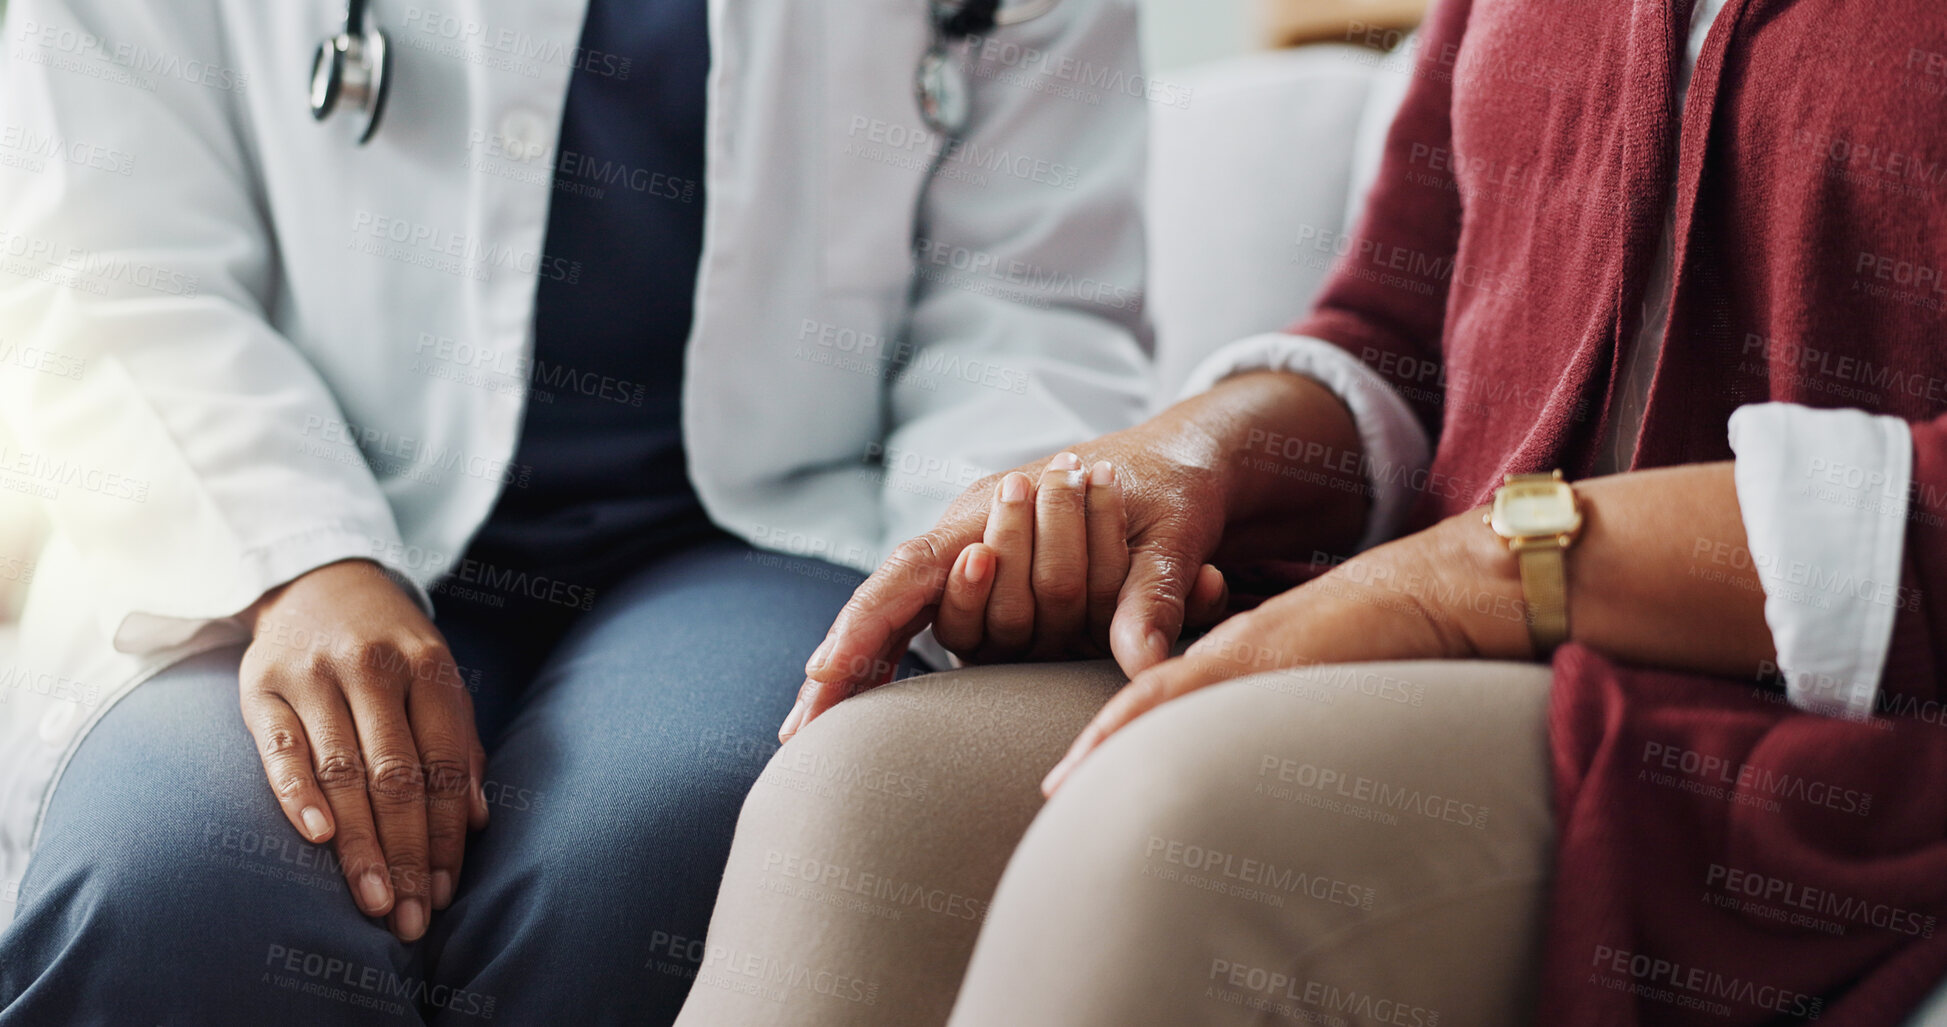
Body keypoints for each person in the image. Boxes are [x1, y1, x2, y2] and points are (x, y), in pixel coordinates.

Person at [678, 0, 1947, 1024]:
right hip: (1450, 650)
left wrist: (1477, 578)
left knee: (1180, 830)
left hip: (1838, 737)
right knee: (869, 789)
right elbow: (1400, 331)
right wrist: (1189, 455)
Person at [0, 0, 1153, 1022]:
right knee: (174, 887)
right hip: (258, 523)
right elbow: (97, 250)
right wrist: (300, 559)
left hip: (757, 528)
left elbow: (1030, 293)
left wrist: (993, 523)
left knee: (660, 862)